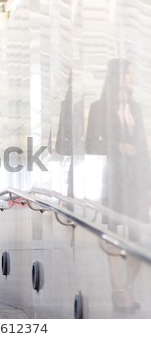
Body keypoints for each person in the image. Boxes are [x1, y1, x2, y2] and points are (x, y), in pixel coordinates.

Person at [87, 58, 150, 312]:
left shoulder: (135, 107)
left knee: (138, 236)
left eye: (134, 73)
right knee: (113, 235)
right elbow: (90, 144)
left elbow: (144, 147)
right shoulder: (99, 107)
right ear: (116, 76)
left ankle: (128, 287)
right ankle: (119, 292)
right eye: (128, 73)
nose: (132, 77)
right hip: (114, 178)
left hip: (136, 180)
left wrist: (148, 184)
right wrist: (118, 146)